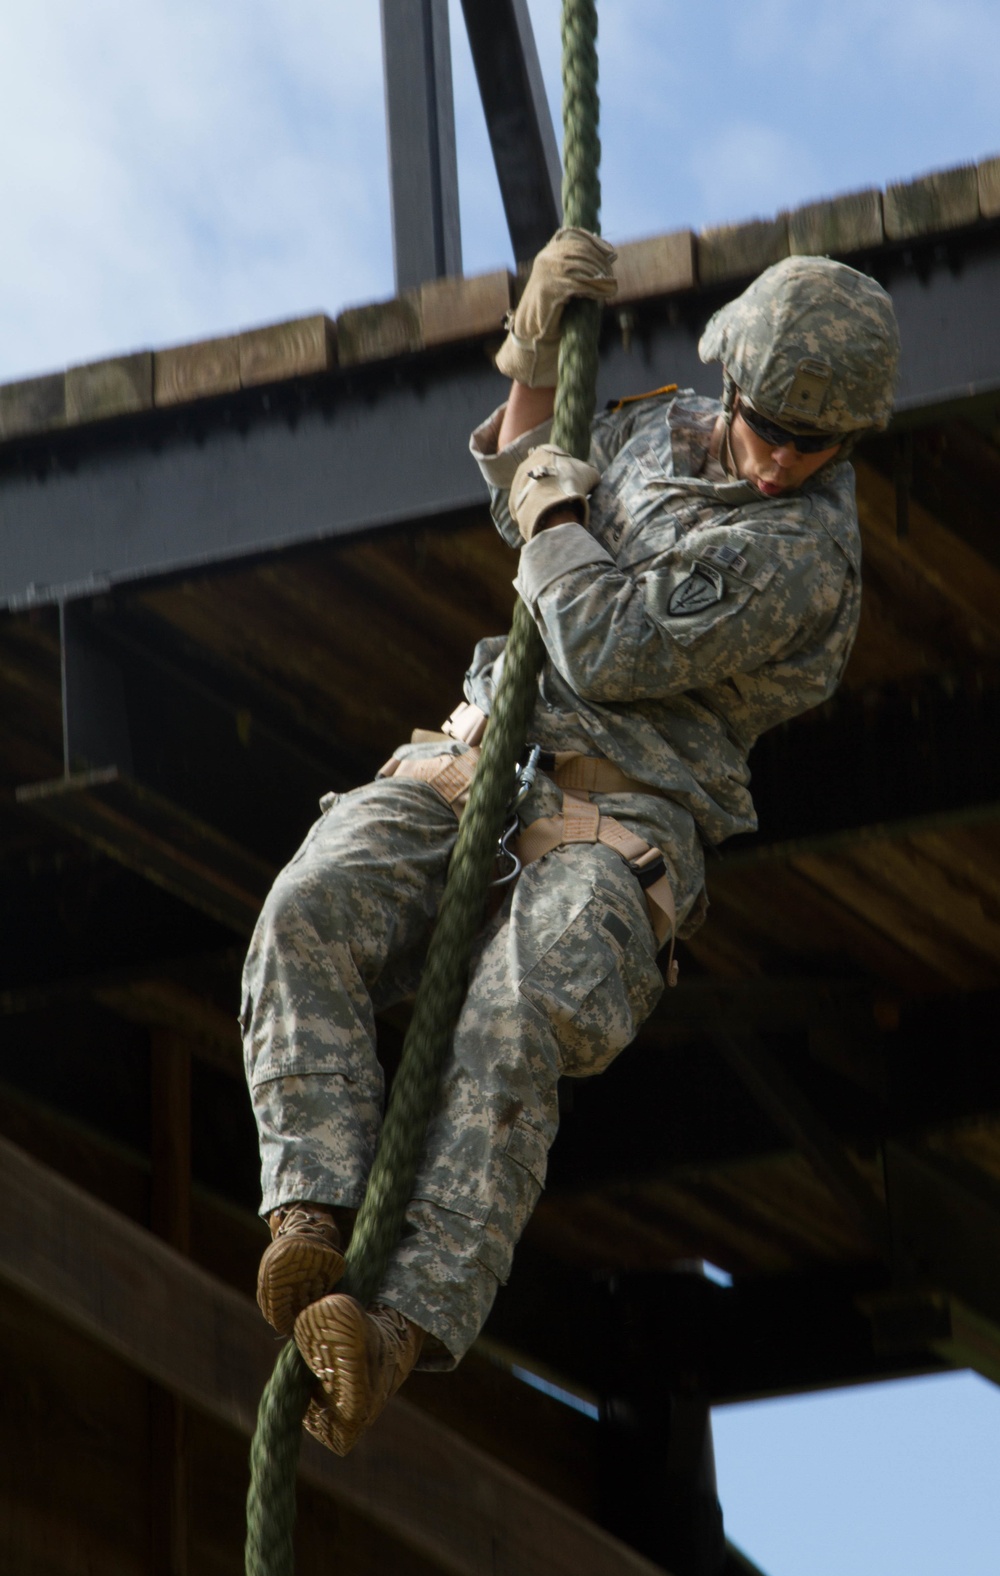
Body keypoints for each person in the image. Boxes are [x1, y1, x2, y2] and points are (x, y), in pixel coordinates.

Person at [241, 232, 900, 1456]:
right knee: (308, 906)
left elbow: (601, 639)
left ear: (844, 442)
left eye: (812, 448)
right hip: (482, 751)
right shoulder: (660, 428)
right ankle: (308, 1221)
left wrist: (552, 514)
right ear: (734, 390)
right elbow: (528, 486)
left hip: (619, 828)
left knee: (508, 1025)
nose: (777, 465)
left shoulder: (804, 556)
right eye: (767, 427)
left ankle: (394, 1332)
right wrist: (533, 357)